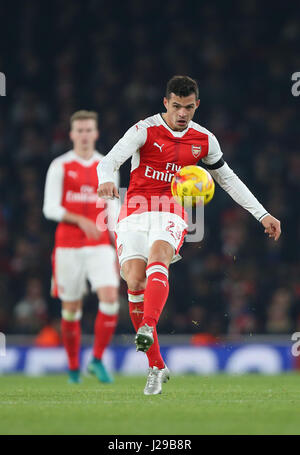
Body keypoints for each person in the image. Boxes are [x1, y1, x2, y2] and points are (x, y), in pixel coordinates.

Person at [97, 76, 281, 395]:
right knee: (134, 280)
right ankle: (156, 366)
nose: (183, 113)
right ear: (166, 103)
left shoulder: (204, 140)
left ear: (197, 105)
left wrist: (262, 213)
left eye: (189, 107)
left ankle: (147, 326)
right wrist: (105, 179)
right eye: (177, 106)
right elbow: (110, 160)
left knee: (159, 257)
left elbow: (228, 179)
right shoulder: (144, 130)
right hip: (135, 209)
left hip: (173, 209)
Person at [43, 110, 120, 384]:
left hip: (100, 245)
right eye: (80, 130)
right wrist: (79, 219)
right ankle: (74, 367)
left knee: (110, 298)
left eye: (89, 130)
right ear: (72, 134)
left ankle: (97, 360)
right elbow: (49, 207)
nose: (85, 135)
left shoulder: (107, 167)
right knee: (71, 309)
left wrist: (120, 242)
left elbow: (113, 210)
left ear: (96, 133)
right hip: (68, 246)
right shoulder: (60, 166)